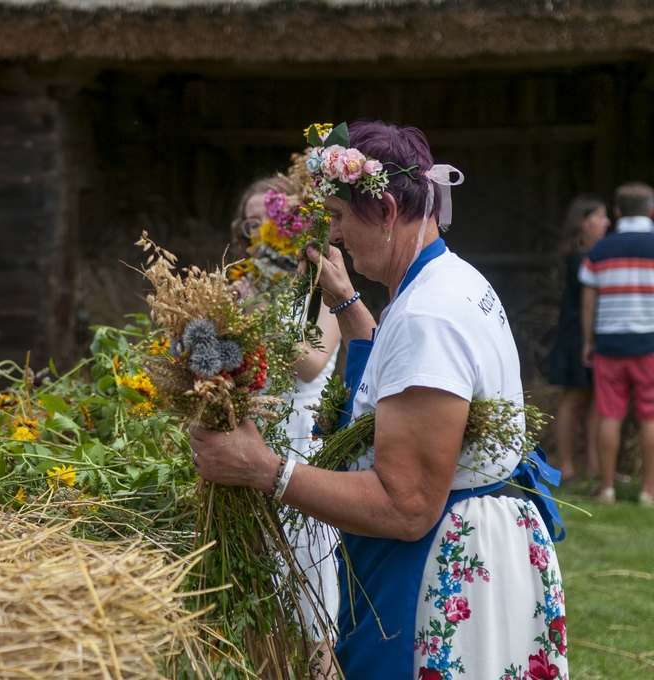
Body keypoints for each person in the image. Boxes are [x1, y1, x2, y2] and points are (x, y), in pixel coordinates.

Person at [190, 121, 568, 679]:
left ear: (386, 210)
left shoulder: (428, 316)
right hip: (479, 539)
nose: (335, 235)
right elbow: (400, 375)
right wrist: (346, 303)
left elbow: (406, 505)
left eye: (339, 216)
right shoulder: (450, 277)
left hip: (438, 566)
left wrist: (263, 469)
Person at [230, 177, 343, 670]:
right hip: (251, 443)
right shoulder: (241, 285)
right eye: (251, 225)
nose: (261, 236)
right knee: (263, 603)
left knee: (311, 599)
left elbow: (310, 363)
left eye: (270, 225)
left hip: (303, 450)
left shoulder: (327, 290)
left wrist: (255, 311)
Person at [580, 181, 654, 507]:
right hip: (650, 343)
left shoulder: (599, 250)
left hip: (609, 344)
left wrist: (588, 340)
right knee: (650, 417)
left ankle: (607, 489)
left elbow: (588, 302)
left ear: (618, 212)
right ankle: (648, 492)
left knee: (609, 414)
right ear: (651, 210)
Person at [548, 195, 610, 482]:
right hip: (576, 337)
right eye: (600, 216)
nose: (606, 223)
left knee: (594, 398)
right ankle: (566, 466)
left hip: (590, 336)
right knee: (574, 398)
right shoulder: (580, 259)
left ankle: (595, 465)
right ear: (584, 222)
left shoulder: (591, 256)